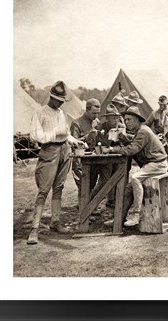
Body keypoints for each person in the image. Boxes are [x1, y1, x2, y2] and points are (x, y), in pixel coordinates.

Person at [27, 81, 84, 245]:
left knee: (59, 187)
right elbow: (35, 136)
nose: (59, 103)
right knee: (44, 189)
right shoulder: (40, 113)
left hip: (64, 150)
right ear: (51, 97)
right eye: (57, 99)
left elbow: (65, 134)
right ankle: (34, 228)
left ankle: (55, 222)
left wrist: (75, 141)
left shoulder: (61, 114)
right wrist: (54, 133)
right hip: (49, 151)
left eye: (61, 100)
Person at [103, 106, 168, 227]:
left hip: (158, 164)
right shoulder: (140, 131)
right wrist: (123, 138)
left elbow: (132, 150)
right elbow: (134, 144)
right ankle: (119, 219)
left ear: (137, 119)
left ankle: (136, 214)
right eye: (125, 120)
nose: (126, 122)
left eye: (129, 119)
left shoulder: (143, 131)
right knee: (129, 188)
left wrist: (111, 149)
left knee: (135, 178)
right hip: (152, 164)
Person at [70, 98, 103, 202]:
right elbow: (73, 143)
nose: (96, 116)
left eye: (98, 113)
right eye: (94, 113)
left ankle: (87, 208)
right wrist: (87, 137)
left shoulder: (96, 122)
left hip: (93, 159)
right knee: (83, 186)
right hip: (80, 161)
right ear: (87, 110)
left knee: (91, 185)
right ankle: (83, 212)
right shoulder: (76, 123)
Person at [94, 103, 126, 209]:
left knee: (117, 178)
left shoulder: (121, 126)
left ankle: (111, 200)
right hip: (106, 158)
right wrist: (108, 138)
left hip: (117, 156)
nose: (116, 121)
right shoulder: (101, 127)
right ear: (107, 118)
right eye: (113, 118)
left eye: (117, 118)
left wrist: (122, 137)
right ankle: (92, 202)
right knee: (104, 181)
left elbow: (125, 144)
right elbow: (98, 144)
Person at [145, 95, 168, 165]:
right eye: (160, 105)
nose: (161, 107)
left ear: (167, 103)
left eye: (163, 105)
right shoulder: (155, 113)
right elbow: (147, 124)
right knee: (161, 155)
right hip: (160, 137)